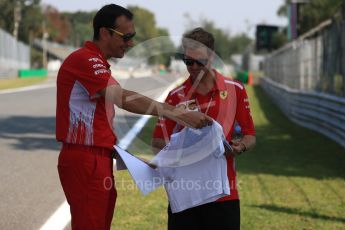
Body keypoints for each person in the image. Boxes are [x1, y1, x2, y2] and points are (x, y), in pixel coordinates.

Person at [56, 5, 212, 230]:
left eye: (133, 36)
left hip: (97, 158)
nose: (130, 43)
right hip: (85, 160)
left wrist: (126, 158)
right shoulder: (86, 59)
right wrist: (179, 113)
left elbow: (99, 120)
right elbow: (122, 98)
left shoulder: (95, 62)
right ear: (104, 33)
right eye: (126, 36)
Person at [152, 27, 256, 230]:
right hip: (185, 194)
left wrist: (239, 147)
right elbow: (157, 141)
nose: (193, 67)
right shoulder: (175, 96)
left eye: (199, 62)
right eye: (188, 62)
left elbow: (250, 135)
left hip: (223, 195)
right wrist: (182, 150)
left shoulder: (235, 89)